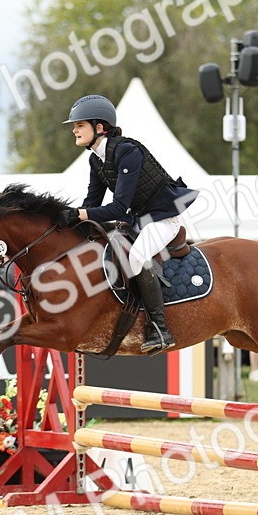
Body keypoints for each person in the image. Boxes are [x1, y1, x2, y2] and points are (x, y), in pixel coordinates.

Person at [56, 94, 198, 353]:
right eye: (74, 126)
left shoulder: (127, 151)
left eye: (80, 125)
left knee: (136, 257)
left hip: (163, 217)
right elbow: (92, 202)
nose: (74, 130)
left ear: (99, 128)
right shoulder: (95, 159)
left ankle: (160, 328)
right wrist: (69, 221)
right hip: (138, 220)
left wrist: (79, 214)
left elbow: (118, 207)